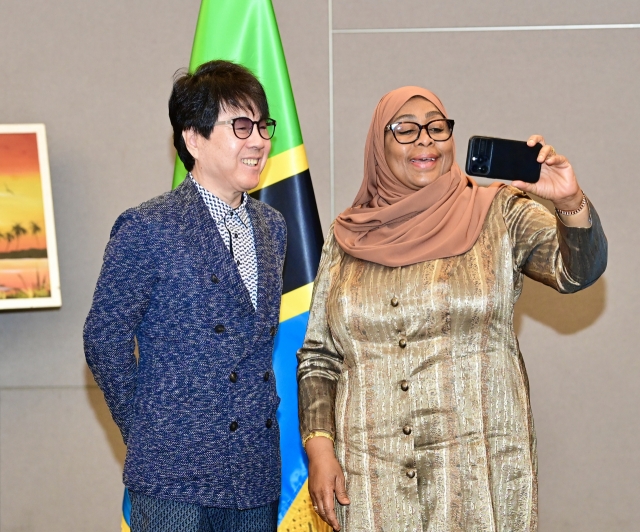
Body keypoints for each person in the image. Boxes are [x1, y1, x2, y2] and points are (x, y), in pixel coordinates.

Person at [296, 86, 607, 532]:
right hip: (370, 476)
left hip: (477, 473)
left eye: (437, 127)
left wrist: (568, 200)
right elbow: (319, 357)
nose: (426, 140)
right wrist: (320, 450)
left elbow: (578, 271)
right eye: (405, 129)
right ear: (378, 147)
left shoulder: (499, 212)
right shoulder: (347, 240)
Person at [84, 60, 286, 532]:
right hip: (172, 477)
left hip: (255, 474)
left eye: (262, 125)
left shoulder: (273, 227)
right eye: (240, 126)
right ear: (193, 138)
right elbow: (104, 338)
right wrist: (148, 431)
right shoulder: (147, 226)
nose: (258, 139)